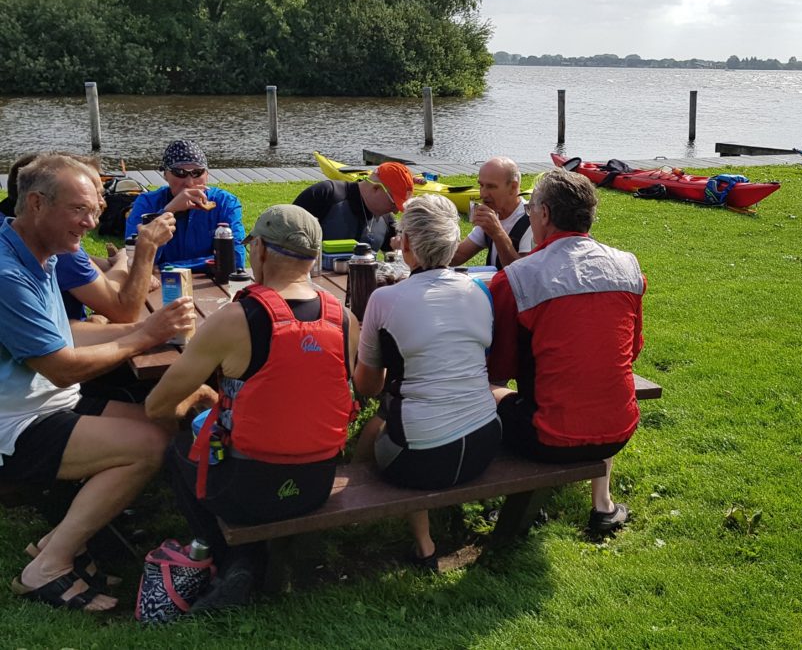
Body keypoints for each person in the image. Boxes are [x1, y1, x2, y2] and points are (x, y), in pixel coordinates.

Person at [0, 153, 196, 612]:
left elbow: (64, 334)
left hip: (47, 403)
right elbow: (62, 366)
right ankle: (46, 568)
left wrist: (148, 332)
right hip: (15, 424)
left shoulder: (36, 252)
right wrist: (145, 334)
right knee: (147, 445)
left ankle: (54, 541)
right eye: (79, 210)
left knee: (163, 424)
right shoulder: (8, 274)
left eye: (94, 209)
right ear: (35, 204)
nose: (92, 222)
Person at [148, 204, 359, 611]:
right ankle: (248, 557)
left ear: (259, 249)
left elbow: (157, 404)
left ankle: (233, 555)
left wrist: (195, 409)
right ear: (314, 257)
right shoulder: (344, 318)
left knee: (178, 449)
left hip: (243, 492)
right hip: (317, 484)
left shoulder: (234, 319)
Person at [487, 167, 646, 534]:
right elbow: (632, 349)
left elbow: (499, 365)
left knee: (485, 388)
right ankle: (602, 505)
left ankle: (501, 499)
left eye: (530, 212)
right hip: (620, 428)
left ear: (543, 215)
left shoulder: (519, 277)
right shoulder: (629, 266)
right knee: (599, 380)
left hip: (547, 435)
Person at [354, 194, 501, 571]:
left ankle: (422, 545)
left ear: (405, 243)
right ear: (454, 243)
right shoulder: (481, 291)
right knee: (399, 417)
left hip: (421, 460)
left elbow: (367, 387)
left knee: (386, 422)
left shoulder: (384, 299)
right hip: (485, 443)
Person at [7, 152, 172, 324]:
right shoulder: (49, 243)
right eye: (79, 206)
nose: (101, 202)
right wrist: (138, 253)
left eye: (99, 193)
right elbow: (123, 311)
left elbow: (64, 334)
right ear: (37, 203)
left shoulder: (23, 236)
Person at [124, 140, 245, 272]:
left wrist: (169, 267)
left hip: (210, 284)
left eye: (197, 173)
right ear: (165, 174)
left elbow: (235, 259)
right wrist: (168, 211)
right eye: (179, 173)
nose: (189, 182)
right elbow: (134, 260)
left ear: (207, 174)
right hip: (162, 285)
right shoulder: (147, 203)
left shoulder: (224, 203)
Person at [292, 161, 414, 252]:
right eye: (394, 203)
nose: (396, 210)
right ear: (376, 188)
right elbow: (283, 240)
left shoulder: (386, 219)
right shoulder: (325, 195)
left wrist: (401, 246)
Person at [449, 157, 533, 270]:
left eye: (491, 187)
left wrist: (498, 234)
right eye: (481, 185)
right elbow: (458, 256)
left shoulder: (531, 220)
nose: (483, 194)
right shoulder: (493, 215)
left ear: (513, 187)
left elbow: (522, 275)